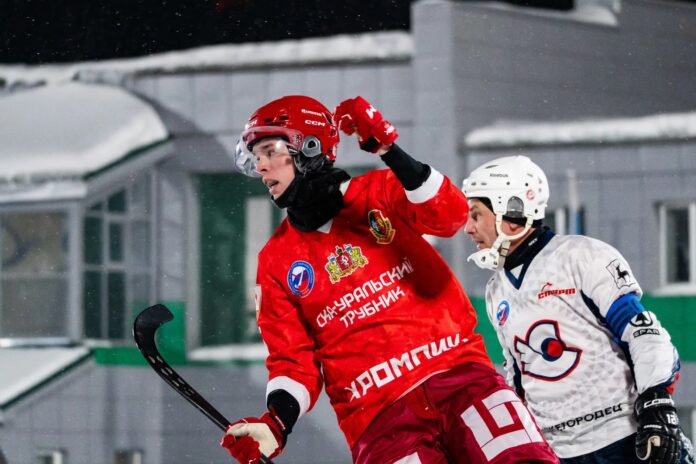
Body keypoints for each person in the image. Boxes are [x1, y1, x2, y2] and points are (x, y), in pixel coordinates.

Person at [220, 95, 559, 464]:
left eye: (270, 151)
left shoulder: (380, 190)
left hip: (462, 379)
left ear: (311, 146)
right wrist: (276, 423)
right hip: (379, 422)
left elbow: (450, 215)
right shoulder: (274, 262)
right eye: (256, 158)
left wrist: (388, 149)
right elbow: (292, 363)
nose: (261, 167)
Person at [461, 155, 695, 464]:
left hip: (624, 439)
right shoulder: (496, 290)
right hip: (560, 453)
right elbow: (517, 375)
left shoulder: (582, 256)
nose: (468, 228)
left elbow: (643, 332)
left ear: (511, 212)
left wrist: (657, 403)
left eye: (476, 215)